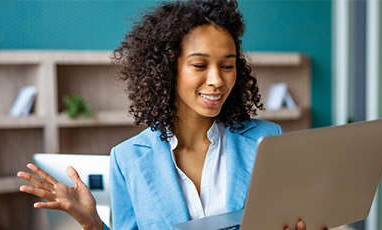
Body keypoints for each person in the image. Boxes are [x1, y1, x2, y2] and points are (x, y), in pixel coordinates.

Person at [17, 1, 319, 229]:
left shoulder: (268, 139)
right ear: (166, 69)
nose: (217, 79)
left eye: (227, 65)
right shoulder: (126, 159)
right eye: (200, 66)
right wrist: (93, 223)